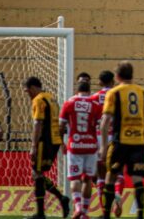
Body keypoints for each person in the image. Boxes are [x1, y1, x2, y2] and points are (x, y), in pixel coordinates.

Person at [99, 62, 144, 219]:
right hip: (138, 143)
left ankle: (106, 215)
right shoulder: (143, 92)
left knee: (110, 177)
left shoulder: (114, 93)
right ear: (132, 74)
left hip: (120, 143)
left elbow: (105, 122)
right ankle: (140, 215)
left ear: (117, 76)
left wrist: (104, 146)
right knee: (137, 180)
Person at [24, 76, 70, 219]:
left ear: (32, 88)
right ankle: (61, 199)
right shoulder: (51, 98)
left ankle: (41, 213)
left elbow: (38, 123)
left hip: (44, 141)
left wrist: (33, 145)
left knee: (36, 174)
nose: (28, 94)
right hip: (54, 141)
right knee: (38, 174)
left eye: (27, 91)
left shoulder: (38, 100)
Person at [59, 80, 102, 219]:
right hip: (91, 146)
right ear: (89, 91)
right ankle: (84, 212)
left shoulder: (69, 103)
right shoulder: (95, 104)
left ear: (77, 91)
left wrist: (61, 143)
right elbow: (100, 126)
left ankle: (77, 208)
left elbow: (61, 126)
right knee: (88, 179)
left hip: (75, 145)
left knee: (75, 179)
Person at [90, 70, 124, 217]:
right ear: (113, 81)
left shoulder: (94, 98)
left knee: (101, 176)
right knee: (118, 172)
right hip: (116, 137)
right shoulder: (119, 96)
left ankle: (105, 211)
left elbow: (90, 119)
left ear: (99, 82)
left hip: (99, 137)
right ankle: (118, 195)